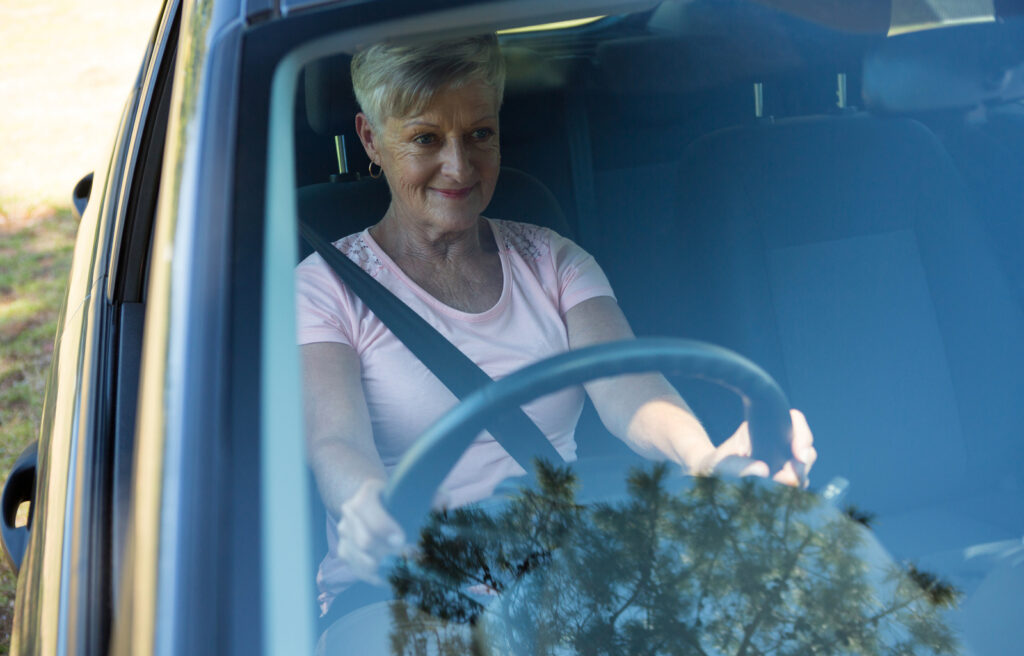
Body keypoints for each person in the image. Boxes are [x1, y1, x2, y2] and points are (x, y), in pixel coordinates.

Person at [295, 34, 816, 617]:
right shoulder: (324, 287)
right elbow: (333, 439)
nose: (459, 166)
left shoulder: (551, 259)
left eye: (480, 134)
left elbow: (629, 385)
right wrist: (367, 503)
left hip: (554, 585)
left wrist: (705, 460)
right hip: (405, 596)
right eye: (425, 139)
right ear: (371, 139)